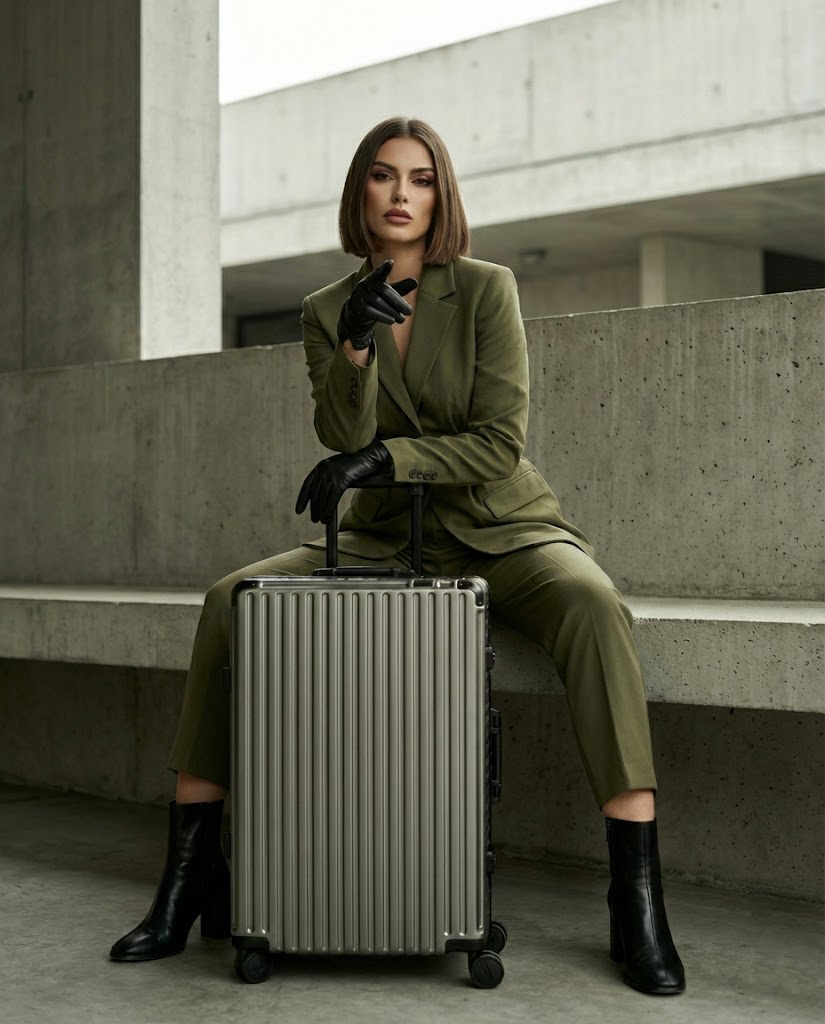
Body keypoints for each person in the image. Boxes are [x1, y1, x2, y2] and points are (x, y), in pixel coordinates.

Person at [109, 115, 685, 996]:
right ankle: (189, 882)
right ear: (362, 194)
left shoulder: (485, 290)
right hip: (385, 540)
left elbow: (496, 441)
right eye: (383, 177)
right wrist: (352, 345)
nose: (401, 194)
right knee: (233, 600)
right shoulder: (320, 310)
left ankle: (635, 899)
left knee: (592, 604)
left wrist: (388, 459)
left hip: (502, 527)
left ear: (438, 194)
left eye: (419, 179)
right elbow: (339, 431)